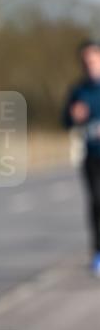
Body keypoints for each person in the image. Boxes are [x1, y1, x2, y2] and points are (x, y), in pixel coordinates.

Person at [62, 39, 100, 276]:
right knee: (96, 202)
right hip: (92, 156)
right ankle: (97, 251)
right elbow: (64, 121)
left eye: (92, 59)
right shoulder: (78, 90)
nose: (88, 65)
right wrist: (73, 116)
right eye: (84, 61)